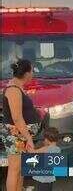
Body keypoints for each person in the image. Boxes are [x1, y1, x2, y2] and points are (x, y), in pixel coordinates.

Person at [1, 59, 40, 191]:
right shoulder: (13, 90)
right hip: (15, 134)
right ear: (27, 73)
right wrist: (28, 138)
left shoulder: (17, 87)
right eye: (32, 71)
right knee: (15, 169)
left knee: (20, 167)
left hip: (19, 134)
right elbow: (17, 118)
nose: (33, 74)